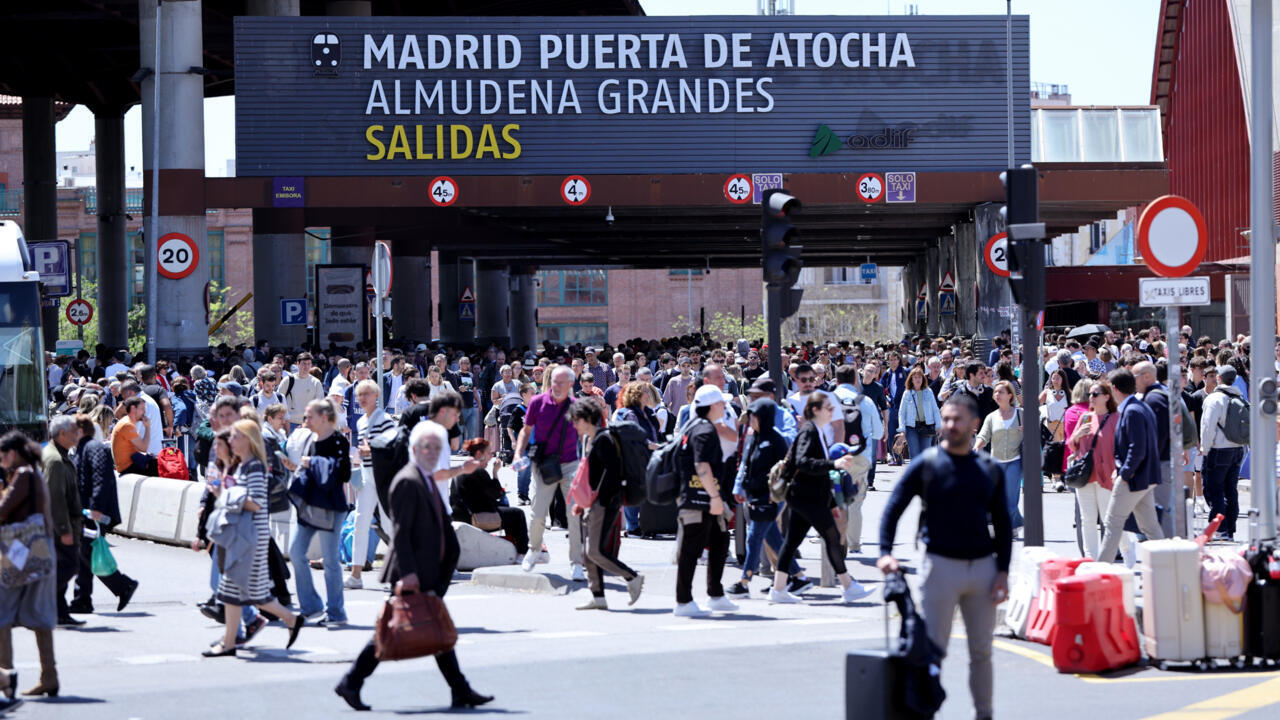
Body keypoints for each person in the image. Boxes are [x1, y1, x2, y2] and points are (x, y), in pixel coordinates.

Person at [334, 421, 493, 712]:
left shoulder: (426, 476)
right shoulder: (408, 480)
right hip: (415, 571)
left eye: (437, 448)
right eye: (427, 447)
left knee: (432, 625)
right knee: (396, 628)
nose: (432, 452)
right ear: (414, 450)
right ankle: (352, 680)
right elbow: (402, 532)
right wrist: (407, 574)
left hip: (429, 568)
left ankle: (460, 690)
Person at [878, 395, 1012, 720]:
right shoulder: (927, 463)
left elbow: (1004, 524)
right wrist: (885, 553)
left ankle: (984, 714)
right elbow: (894, 506)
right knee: (933, 651)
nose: (950, 425)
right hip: (939, 568)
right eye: (947, 419)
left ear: (974, 425)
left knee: (981, 652)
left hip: (982, 570)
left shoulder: (989, 469)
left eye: (958, 420)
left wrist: (1003, 572)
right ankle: (926, 714)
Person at [202, 420, 305, 658]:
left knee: (235, 591)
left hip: (249, 537)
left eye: (236, 436)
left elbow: (256, 503)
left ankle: (229, 643)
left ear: (248, 440)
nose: (231, 441)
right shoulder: (242, 467)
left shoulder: (255, 467)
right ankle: (289, 619)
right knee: (243, 592)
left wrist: (226, 496)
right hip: (242, 536)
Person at [770, 394, 875, 605]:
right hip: (806, 496)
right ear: (816, 409)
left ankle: (778, 589)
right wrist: (833, 464)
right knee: (832, 536)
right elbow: (803, 461)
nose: (832, 411)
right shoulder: (810, 431)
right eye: (828, 408)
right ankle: (848, 586)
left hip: (806, 496)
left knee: (791, 542)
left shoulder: (815, 431)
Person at [0, 431, 60, 698]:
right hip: (39, 550)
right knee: (38, 613)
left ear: (12, 453)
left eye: (2, 454)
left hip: (20, 553)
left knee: (2, 613)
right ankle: (49, 675)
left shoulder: (22, 474)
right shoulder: (35, 473)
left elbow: (3, 508)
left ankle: (6, 677)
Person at [567, 401, 643, 610]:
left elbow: (611, 474)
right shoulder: (589, 440)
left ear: (586, 419)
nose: (574, 425)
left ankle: (632, 577)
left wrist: (595, 501)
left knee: (595, 551)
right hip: (593, 502)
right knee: (586, 552)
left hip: (604, 502)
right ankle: (598, 596)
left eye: (576, 421)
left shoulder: (603, 440)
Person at [673, 385, 739, 617]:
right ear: (712, 406)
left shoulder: (695, 426)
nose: (725, 406)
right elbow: (701, 465)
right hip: (700, 498)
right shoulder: (704, 430)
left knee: (720, 542)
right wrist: (714, 497)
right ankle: (683, 601)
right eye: (722, 403)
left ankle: (716, 594)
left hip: (703, 496)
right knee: (692, 549)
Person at [514, 367, 584, 578]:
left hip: (570, 465)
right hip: (543, 464)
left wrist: (587, 463)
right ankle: (534, 550)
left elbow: (584, 435)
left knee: (574, 515)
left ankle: (577, 563)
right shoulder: (537, 402)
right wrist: (518, 453)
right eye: (554, 381)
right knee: (537, 514)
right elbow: (525, 431)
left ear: (571, 384)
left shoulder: (576, 407)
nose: (557, 386)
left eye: (562, 382)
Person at [288, 399, 352, 626]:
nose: (305, 421)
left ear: (324, 417)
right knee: (295, 552)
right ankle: (311, 606)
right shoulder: (310, 439)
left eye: (309, 416)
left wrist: (313, 462)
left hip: (331, 507)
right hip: (309, 505)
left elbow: (344, 474)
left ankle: (336, 611)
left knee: (331, 561)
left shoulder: (338, 441)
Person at [69, 414, 138, 615]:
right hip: (87, 511)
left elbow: (101, 479)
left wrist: (96, 508)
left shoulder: (94, 448)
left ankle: (123, 585)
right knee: (84, 554)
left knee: (88, 553)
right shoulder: (82, 449)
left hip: (95, 512)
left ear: (81, 430)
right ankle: (83, 599)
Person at [1096, 368, 1165, 562]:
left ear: (1115, 389)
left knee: (1112, 524)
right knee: (1150, 528)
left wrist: (1124, 474)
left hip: (1133, 477)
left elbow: (1137, 449)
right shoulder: (1138, 407)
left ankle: (1101, 570)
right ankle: (1168, 568)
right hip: (1144, 476)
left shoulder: (1132, 410)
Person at [347, 380, 396, 590]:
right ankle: (355, 575)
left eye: (367, 393)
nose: (363, 398)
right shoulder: (361, 422)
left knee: (388, 524)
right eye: (360, 395)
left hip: (383, 476)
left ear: (376, 396)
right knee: (360, 522)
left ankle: (399, 572)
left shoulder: (385, 419)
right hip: (367, 475)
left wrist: (371, 450)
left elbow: (394, 445)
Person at [1067, 380, 1119, 562]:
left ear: (1107, 397)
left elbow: (1120, 447)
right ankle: (1090, 558)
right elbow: (1073, 446)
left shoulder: (1115, 418)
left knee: (1107, 519)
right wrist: (1077, 435)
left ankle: (1109, 557)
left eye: (1095, 394)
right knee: (1087, 519)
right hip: (1086, 475)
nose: (1091, 398)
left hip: (1106, 476)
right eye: (1090, 394)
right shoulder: (1085, 418)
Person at [450, 439, 529, 558]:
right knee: (517, 514)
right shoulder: (478, 470)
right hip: (474, 517)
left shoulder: (463, 468)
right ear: (478, 454)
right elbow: (496, 494)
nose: (491, 457)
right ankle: (522, 552)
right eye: (489, 453)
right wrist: (495, 473)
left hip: (461, 514)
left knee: (508, 512)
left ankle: (511, 549)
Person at [40, 416, 84, 627]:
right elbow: (55, 498)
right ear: (63, 434)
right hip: (60, 528)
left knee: (62, 568)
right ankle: (38, 604)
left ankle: (59, 612)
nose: (77, 434)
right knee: (68, 566)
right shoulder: (55, 460)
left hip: (65, 524)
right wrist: (64, 529)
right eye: (74, 431)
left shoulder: (60, 455)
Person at [1198, 365, 1247, 542]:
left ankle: (1219, 529)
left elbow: (1207, 426)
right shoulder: (1239, 397)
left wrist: (1205, 448)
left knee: (1214, 489)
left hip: (1218, 449)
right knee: (1230, 490)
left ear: (1219, 378)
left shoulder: (1214, 399)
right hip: (1237, 449)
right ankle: (1230, 529)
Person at [974, 381, 1025, 537]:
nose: (997, 395)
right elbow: (984, 435)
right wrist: (977, 446)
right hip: (995, 462)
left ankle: (1007, 528)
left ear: (1010, 395)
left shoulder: (1020, 414)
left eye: (1001, 392)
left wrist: (1026, 431)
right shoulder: (991, 417)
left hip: (1015, 460)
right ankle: (1016, 522)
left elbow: (1034, 433)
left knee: (1010, 496)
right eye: (995, 392)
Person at [897, 365, 940, 460]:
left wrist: (939, 426)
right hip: (911, 427)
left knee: (926, 454)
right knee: (914, 454)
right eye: (915, 377)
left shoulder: (928, 391)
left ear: (923, 379)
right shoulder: (907, 393)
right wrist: (902, 430)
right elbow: (902, 413)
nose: (918, 380)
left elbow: (935, 410)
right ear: (911, 379)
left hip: (926, 426)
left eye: (920, 377)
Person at [111, 396, 156, 475]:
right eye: (142, 409)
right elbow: (143, 448)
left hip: (130, 462)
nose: (144, 412)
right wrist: (147, 427)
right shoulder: (127, 425)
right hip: (128, 466)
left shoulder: (126, 421)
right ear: (133, 409)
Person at [281, 353, 325, 430]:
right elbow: (278, 400)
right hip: (289, 423)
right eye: (304, 364)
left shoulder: (316, 382)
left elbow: (320, 405)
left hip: (309, 424)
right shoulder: (288, 380)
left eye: (309, 364)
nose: (306, 367)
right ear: (298, 364)